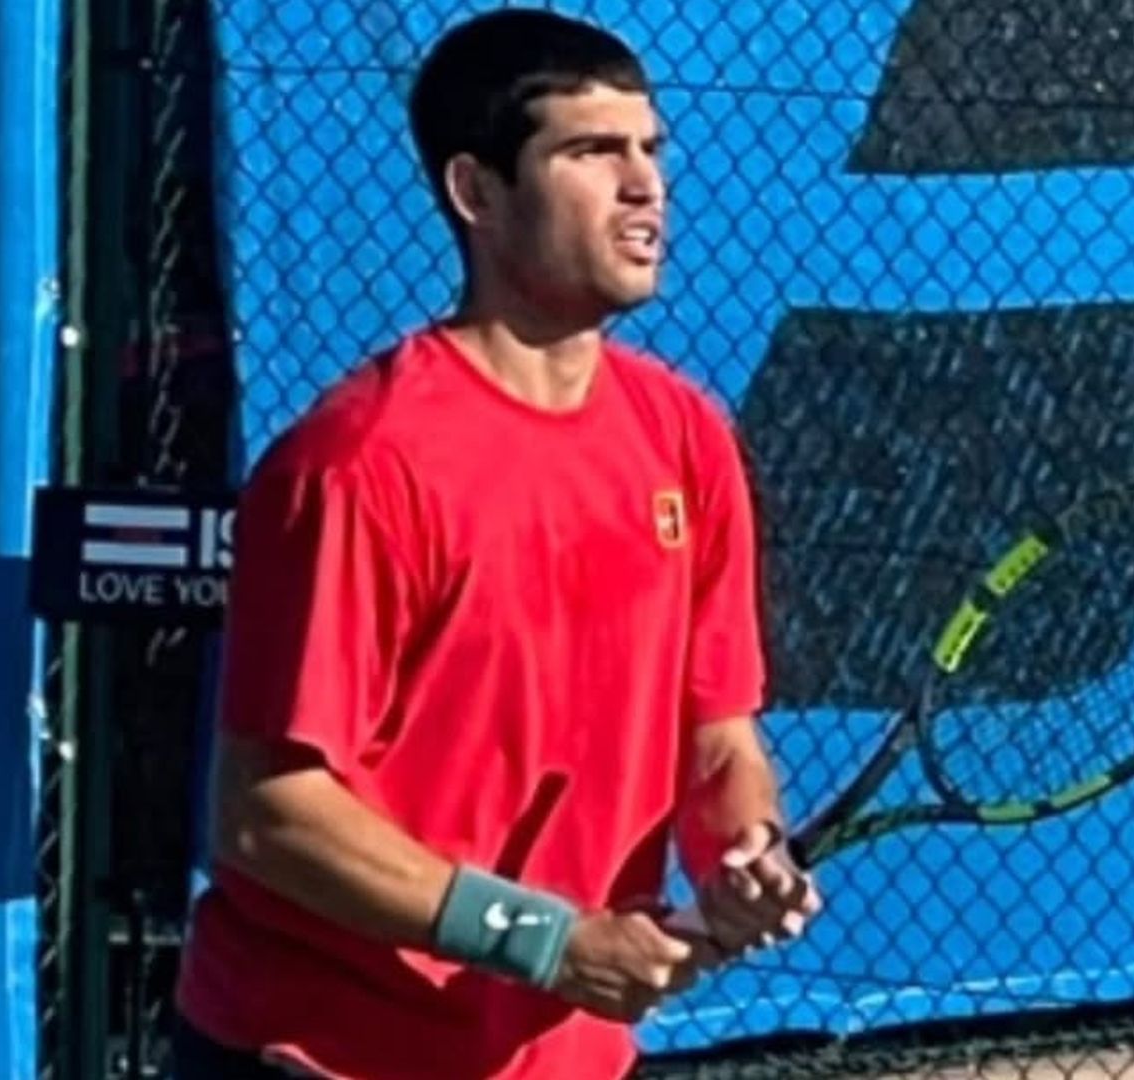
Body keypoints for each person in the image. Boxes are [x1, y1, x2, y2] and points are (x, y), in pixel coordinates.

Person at [172, 8, 822, 1078]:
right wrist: (547, 941)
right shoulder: (359, 464)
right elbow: (267, 814)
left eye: (650, 149)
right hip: (323, 1057)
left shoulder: (686, 435)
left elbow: (717, 737)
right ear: (476, 192)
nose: (644, 186)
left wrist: (744, 852)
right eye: (592, 152)